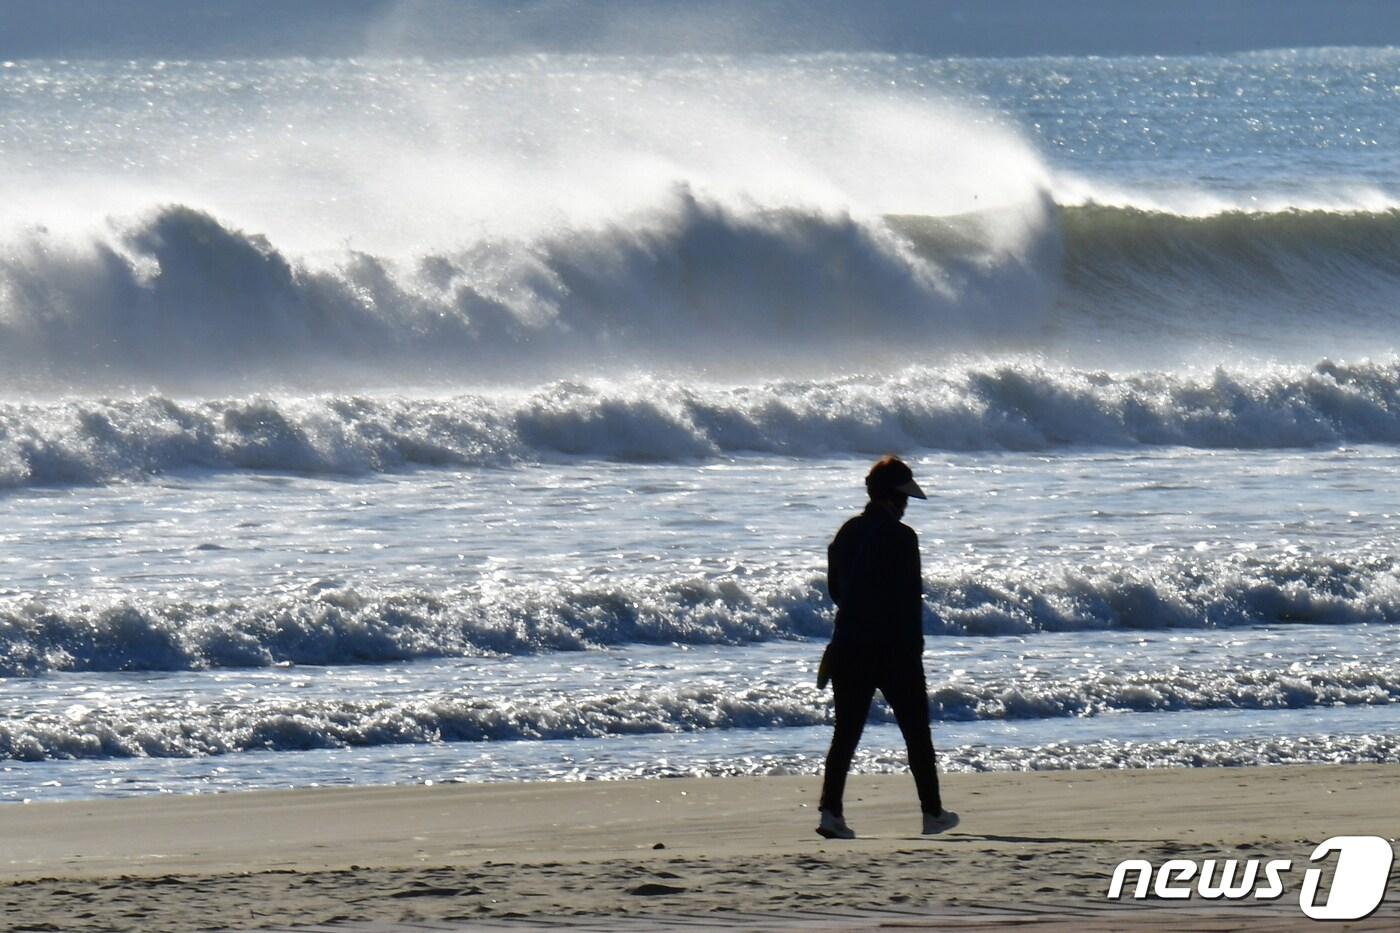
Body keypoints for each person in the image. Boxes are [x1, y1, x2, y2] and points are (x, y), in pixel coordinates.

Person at [816, 455, 959, 840]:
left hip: (848, 646)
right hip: (894, 649)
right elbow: (908, 600)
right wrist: (915, 648)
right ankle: (932, 814)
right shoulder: (903, 537)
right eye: (905, 498)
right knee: (916, 733)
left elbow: (835, 592)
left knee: (845, 734)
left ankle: (831, 812)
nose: (907, 505)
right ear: (894, 498)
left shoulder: (845, 533)